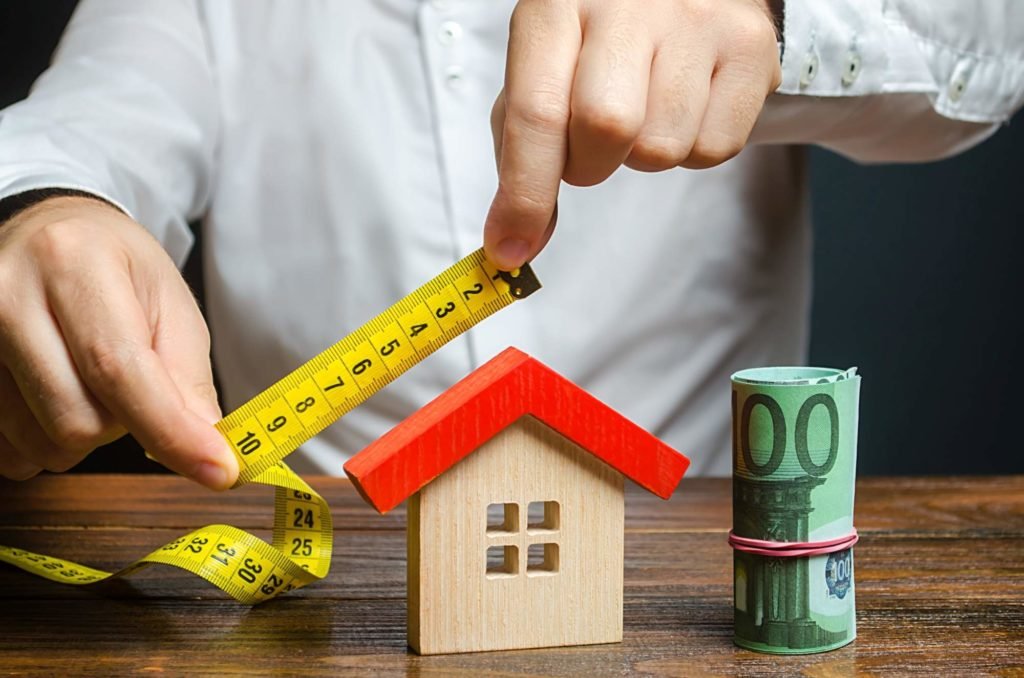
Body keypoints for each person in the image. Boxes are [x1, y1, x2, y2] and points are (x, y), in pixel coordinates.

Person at [0, 1, 1021, 488]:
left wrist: (768, 10)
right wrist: (45, 212)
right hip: (325, 603)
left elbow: (992, 48)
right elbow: (86, 125)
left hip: (686, 580)